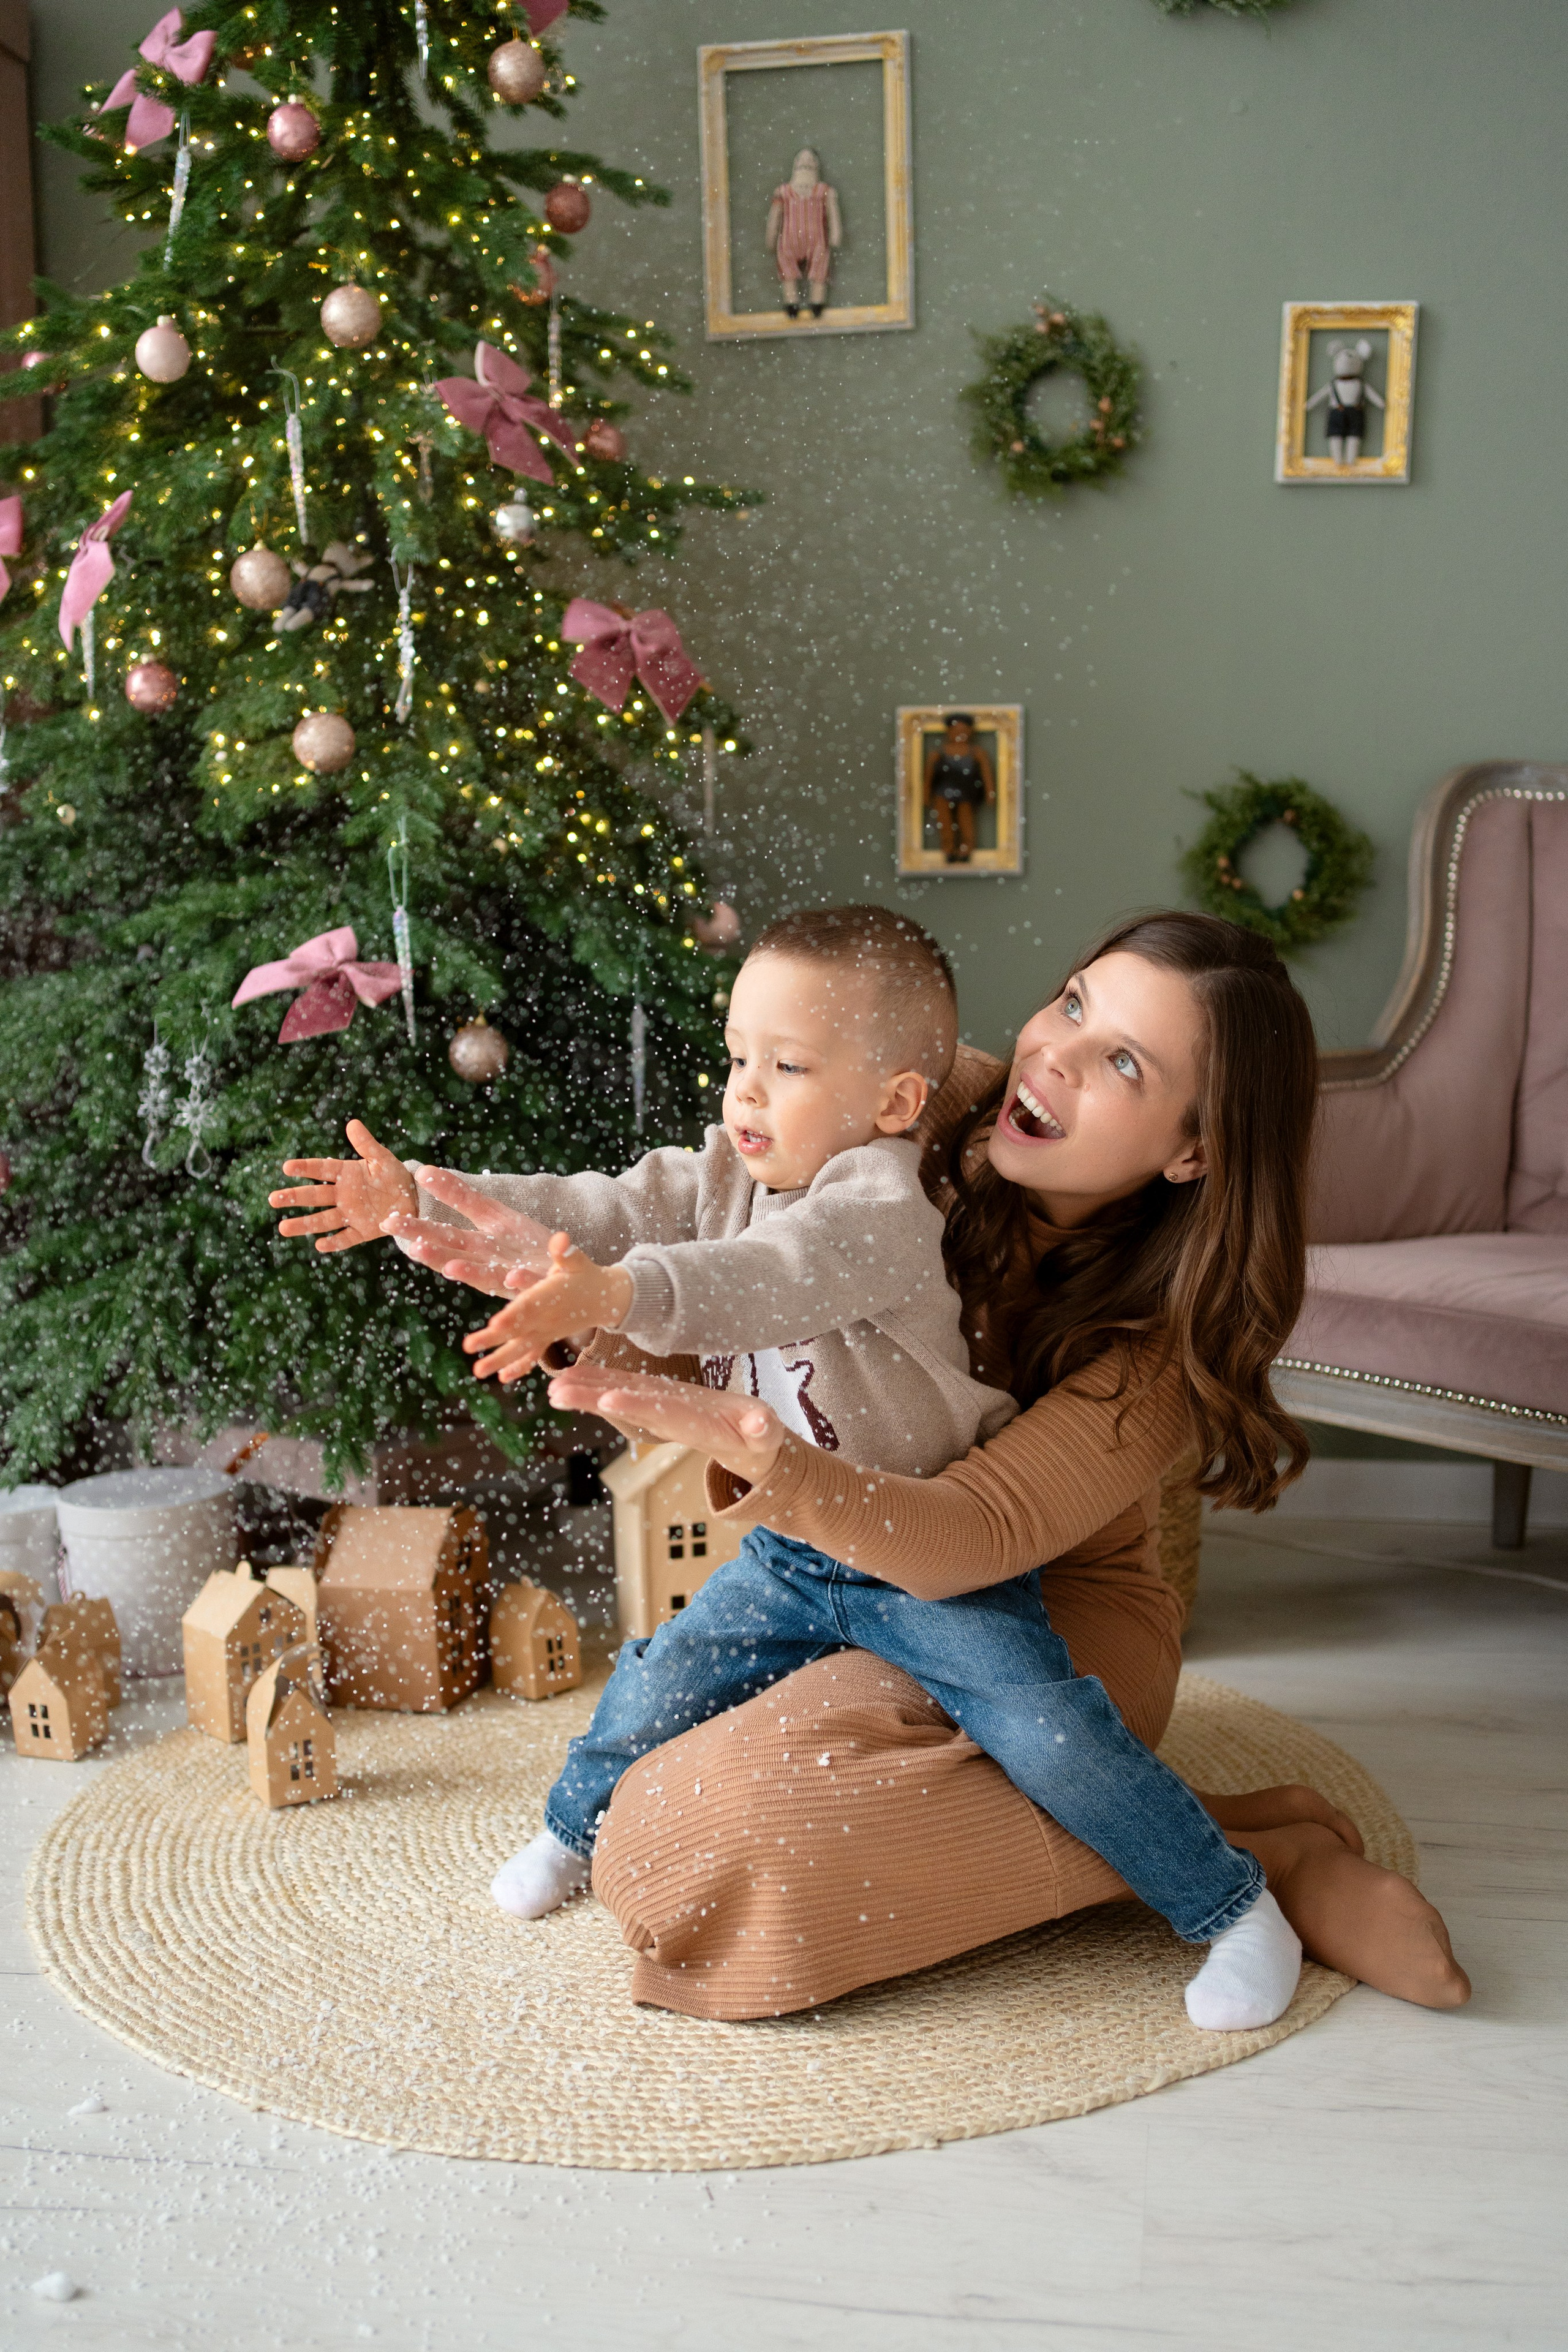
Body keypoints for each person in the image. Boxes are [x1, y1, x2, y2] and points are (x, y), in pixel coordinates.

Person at [273, 907, 1307, 2030]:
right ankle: (567, 1832)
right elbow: (607, 1204)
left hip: (984, 1584)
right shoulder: (882, 1100)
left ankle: (1238, 1896)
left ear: (1193, 1148)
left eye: (1120, 1060)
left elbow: (783, 1279)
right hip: (808, 1553)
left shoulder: (879, 1192)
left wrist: (620, 1299)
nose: (1050, 1055)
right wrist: (429, 1203)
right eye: (1071, 1002)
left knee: (1048, 1741)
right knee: (660, 1695)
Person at [766, 148, 842, 319]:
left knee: (820, 270)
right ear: (795, 165)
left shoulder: (824, 191)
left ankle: (817, 302)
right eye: (802, 160)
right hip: (788, 242)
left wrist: (836, 234)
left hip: (817, 242)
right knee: (788, 272)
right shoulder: (783, 192)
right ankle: (791, 303)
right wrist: (771, 238)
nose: (806, 163)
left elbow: (833, 214)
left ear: (816, 166)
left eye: (811, 161)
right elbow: (775, 217)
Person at [924, 714, 996, 864]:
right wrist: (926, 794)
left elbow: (986, 774)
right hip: (942, 794)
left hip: (967, 794)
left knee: (966, 823)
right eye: (956, 730)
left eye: (964, 730)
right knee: (945, 824)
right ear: (948, 732)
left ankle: (966, 850)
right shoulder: (938, 754)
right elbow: (929, 777)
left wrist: (990, 792)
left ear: (971, 732)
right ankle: (949, 850)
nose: (960, 734)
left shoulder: (977, 753)